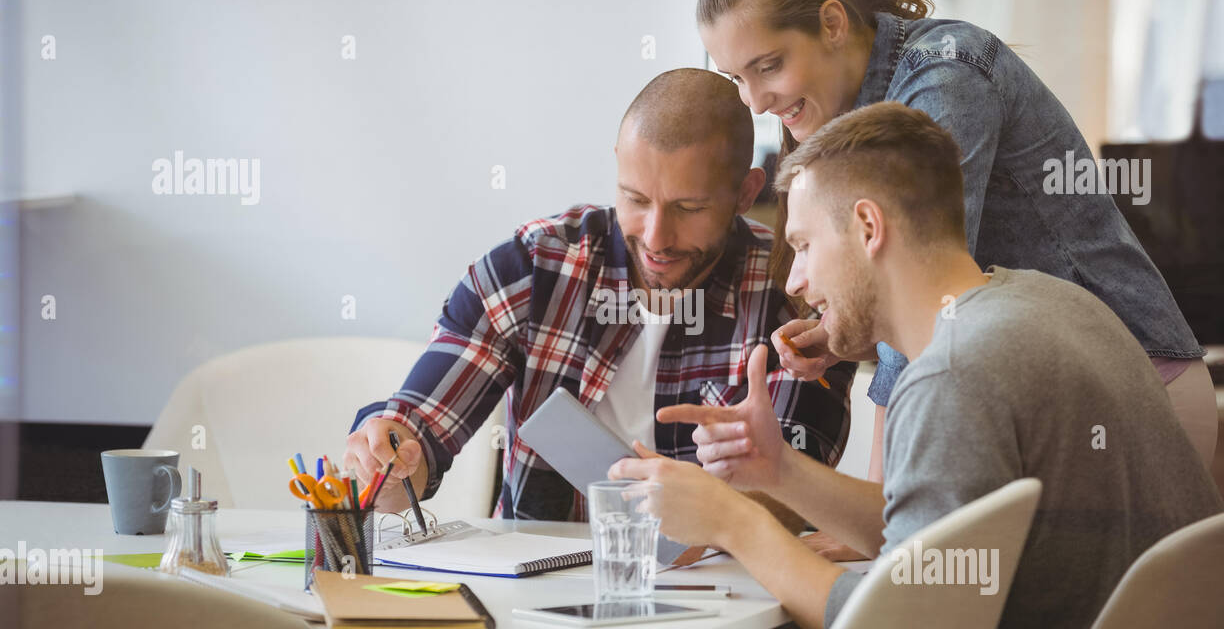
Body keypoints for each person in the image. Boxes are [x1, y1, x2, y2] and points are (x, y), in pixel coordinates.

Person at [609, 102, 1224, 629]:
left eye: (804, 245)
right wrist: (778, 470)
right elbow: (942, 549)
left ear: (868, 227)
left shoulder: (955, 373)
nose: (795, 278)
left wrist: (734, 522)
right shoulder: (1053, 304)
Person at [695, 0, 1217, 515]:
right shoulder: (837, 110)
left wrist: (879, 506)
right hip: (1044, 395)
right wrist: (847, 336)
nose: (756, 102)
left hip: (1136, 387)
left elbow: (924, 290)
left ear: (833, 24)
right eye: (738, 77)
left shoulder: (948, 74)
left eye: (768, 66)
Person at [341, 68, 852, 527]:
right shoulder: (532, 269)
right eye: (635, 199)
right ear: (617, 166)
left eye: (689, 208)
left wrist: (714, 512)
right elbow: (418, 426)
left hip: (731, 593)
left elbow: (806, 493)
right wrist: (389, 458)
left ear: (745, 193)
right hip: (540, 594)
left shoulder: (794, 289)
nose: (656, 237)